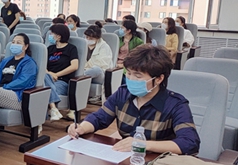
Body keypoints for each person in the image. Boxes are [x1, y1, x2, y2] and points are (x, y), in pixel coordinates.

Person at [68, 45, 200, 155]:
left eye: (138, 76)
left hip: (158, 164)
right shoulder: (123, 93)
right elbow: (99, 118)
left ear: (159, 79)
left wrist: (143, 144)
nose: (131, 79)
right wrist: (82, 128)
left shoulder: (176, 104)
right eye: (129, 73)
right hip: (125, 159)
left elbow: (190, 143)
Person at [0, 33, 37, 111]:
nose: (15, 44)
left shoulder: (29, 63)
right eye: (13, 42)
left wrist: (4, 87)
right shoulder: (6, 60)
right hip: (1, 91)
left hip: (17, 96)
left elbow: (23, 81)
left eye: (18, 43)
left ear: (26, 46)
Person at [45, 24, 79, 121]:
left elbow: (74, 66)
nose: (50, 35)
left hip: (62, 81)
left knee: (44, 90)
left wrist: (56, 74)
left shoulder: (71, 48)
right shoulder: (50, 49)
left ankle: (50, 112)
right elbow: (42, 65)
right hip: (48, 78)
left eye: (52, 33)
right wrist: (50, 74)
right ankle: (53, 109)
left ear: (59, 36)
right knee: (42, 80)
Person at [83, 24, 113, 104]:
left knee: (96, 69)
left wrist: (86, 66)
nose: (88, 39)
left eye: (91, 38)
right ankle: (81, 76)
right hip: (86, 71)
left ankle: (80, 76)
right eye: (87, 37)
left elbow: (102, 63)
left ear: (97, 38)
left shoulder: (104, 47)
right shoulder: (83, 45)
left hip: (100, 75)